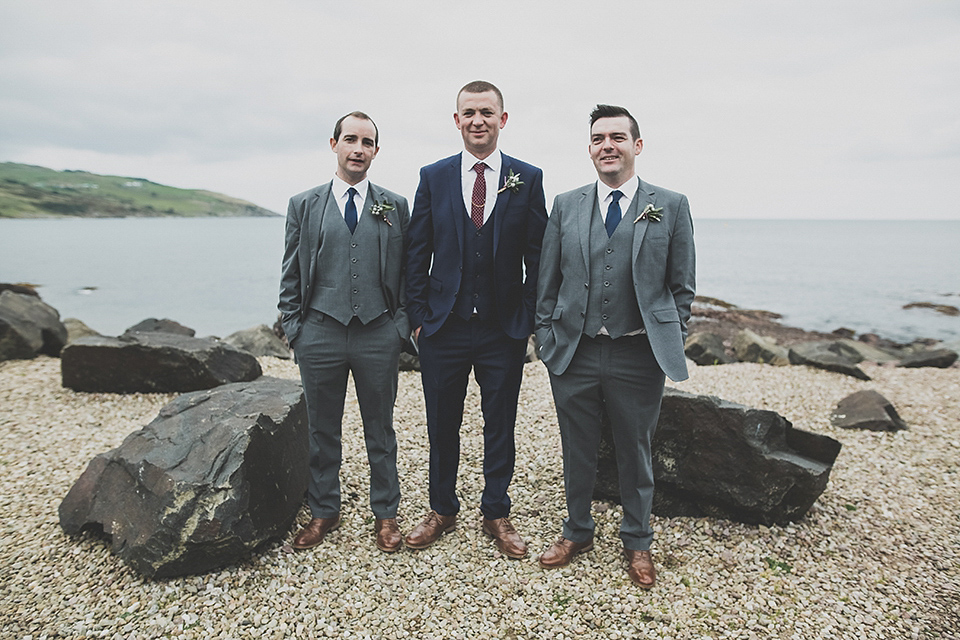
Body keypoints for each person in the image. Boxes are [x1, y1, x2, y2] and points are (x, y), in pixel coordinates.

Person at [534, 104, 695, 588]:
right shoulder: (566, 204)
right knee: (576, 447)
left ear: (636, 146)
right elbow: (547, 280)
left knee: (635, 449)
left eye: (618, 138)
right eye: (599, 138)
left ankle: (638, 541)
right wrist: (546, 338)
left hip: (637, 352)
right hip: (574, 351)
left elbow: (682, 286)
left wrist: (669, 335)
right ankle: (577, 530)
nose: (608, 145)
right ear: (589, 149)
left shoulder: (670, 204)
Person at [404, 81, 548, 558]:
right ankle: (441, 509)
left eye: (487, 112)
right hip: (443, 327)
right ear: (457, 120)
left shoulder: (527, 177)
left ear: (502, 119)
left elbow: (539, 255)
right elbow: (416, 251)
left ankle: (496, 512)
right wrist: (419, 317)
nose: (478, 120)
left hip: (502, 328)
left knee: (499, 423)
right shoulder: (433, 176)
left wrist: (526, 317)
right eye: (469, 112)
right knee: (441, 423)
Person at [278, 111, 410, 553]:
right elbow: (291, 274)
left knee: (381, 429)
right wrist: (295, 329)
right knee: (322, 428)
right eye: (350, 139)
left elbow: (408, 274)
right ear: (333, 144)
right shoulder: (304, 205)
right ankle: (323, 511)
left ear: (376, 150)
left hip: (378, 333)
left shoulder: (394, 206)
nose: (358, 148)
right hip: (319, 332)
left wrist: (400, 327)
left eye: (367, 142)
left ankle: (386, 515)